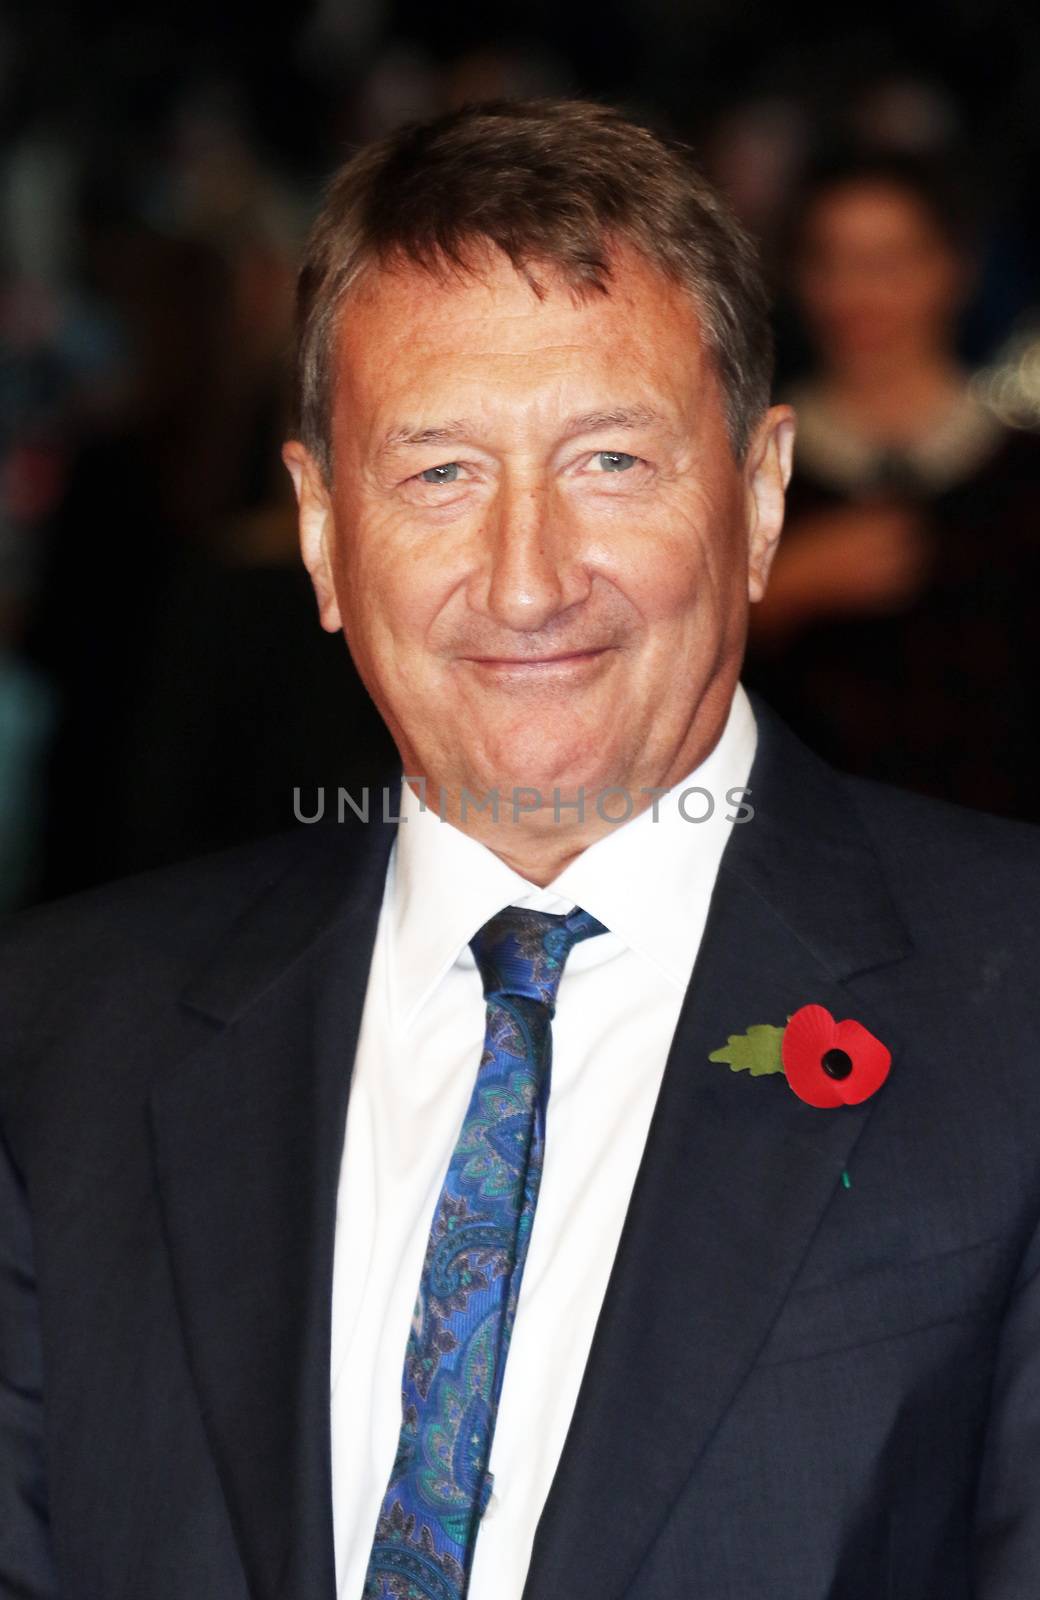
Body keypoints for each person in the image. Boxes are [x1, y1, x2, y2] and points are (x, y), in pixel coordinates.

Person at [3, 99, 1040, 1600]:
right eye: (439, 473)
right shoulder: (54, 1056)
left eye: (611, 461)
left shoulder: (1012, 1023)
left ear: (757, 498)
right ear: (318, 532)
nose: (528, 576)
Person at [745, 153, 1040, 818]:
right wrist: (781, 591)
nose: (858, 294)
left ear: (955, 270)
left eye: (890, 263)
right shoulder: (747, 464)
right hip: (806, 844)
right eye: (831, 263)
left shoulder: (1022, 472)